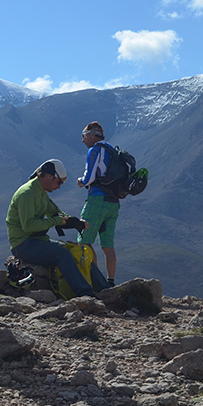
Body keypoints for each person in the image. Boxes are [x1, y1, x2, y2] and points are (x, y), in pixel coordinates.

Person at [5, 159, 97, 298]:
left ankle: (102, 289)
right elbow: (28, 226)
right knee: (63, 254)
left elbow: (56, 212)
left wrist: (75, 222)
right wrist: (55, 221)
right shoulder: (27, 194)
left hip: (37, 241)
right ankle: (86, 294)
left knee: (77, 251)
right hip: (23, 244)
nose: (59, 187)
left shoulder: (40, 192)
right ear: (49, 176)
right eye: (59, 182)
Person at [76, 121, 120, 286]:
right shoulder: (112, 150)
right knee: (108, 244)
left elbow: (90, 178)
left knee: (84, 240)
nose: (83, 141)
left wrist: (80, 181)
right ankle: (111, 281)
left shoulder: (95, 150)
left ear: (93, 135)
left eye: (84, 136)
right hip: (114, 202)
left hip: (97, 200)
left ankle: (95, 281)